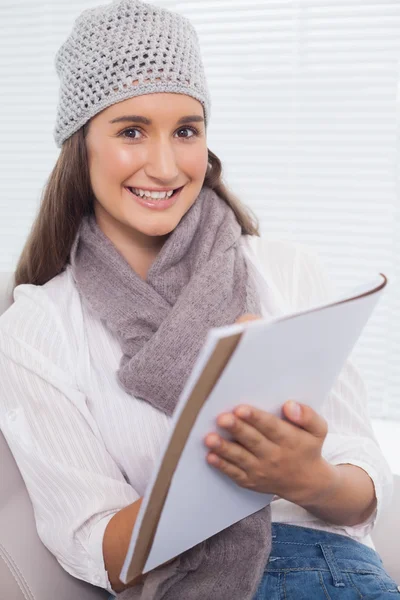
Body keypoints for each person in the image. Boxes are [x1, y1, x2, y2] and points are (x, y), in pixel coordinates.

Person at [0, 0, 397, 598]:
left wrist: (307, 477)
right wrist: (212, 465)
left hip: (341, 574)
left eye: (186, 130)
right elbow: (94, 546)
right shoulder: (37, 327)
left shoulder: (284, 270)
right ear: (81, 147)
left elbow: (362, 478)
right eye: (131, 131)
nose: (164, 165)